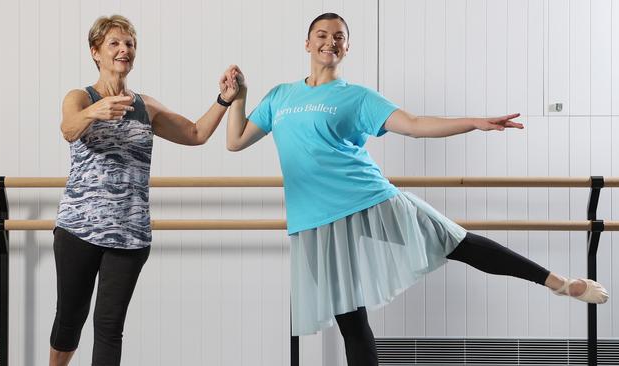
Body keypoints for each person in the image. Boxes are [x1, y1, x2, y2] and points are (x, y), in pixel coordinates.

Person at [223, 12, 609, 366]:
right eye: (321, 35)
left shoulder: (356, 97)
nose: (330, 42)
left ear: (347, 46)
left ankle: (557, 282)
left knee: (456, 241)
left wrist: (472, 122)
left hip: (366, 199)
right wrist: (238, 99)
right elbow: (236, 140)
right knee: (351, 321)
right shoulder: (279, 96)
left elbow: (415, 123)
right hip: (313, 220)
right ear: (306, 44)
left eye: (338, 37)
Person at [50, 15, 239, 366]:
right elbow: (68, 129)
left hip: (130, 235)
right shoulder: (80, 96)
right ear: (95, 52)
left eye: (130, 44)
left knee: (109, 327)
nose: (124, 50)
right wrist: (96, 110)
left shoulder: (145, 106)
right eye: (115, 44)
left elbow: (196, 134)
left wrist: (224, 99)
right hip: (78, 230)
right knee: (69, 321)